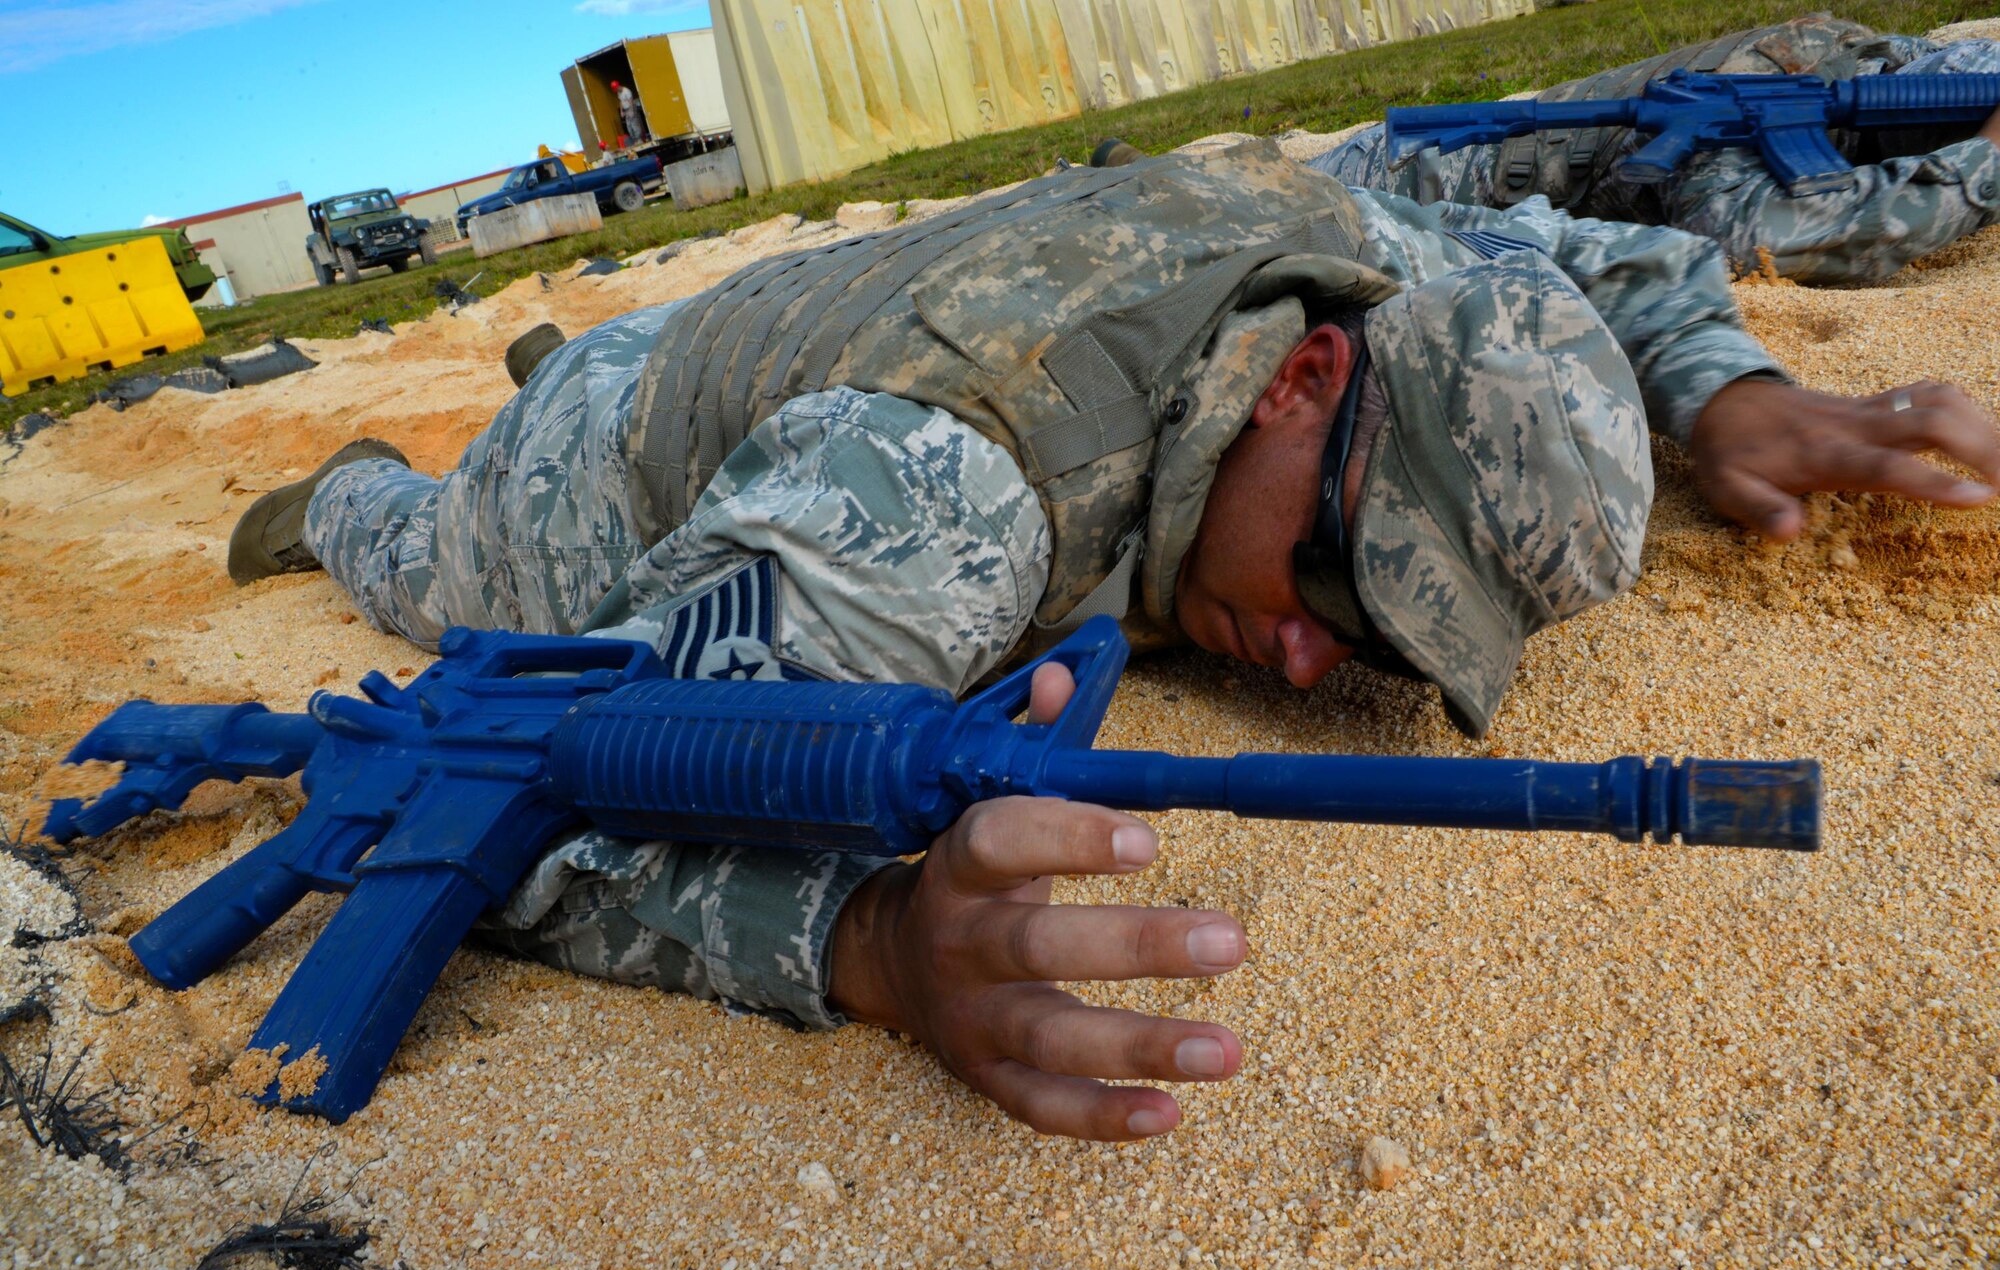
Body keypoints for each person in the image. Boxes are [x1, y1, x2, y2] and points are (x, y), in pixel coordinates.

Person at [225, 139, 2000, 1141]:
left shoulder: (1357, 249)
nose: (1309, 663)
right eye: (1335, 578)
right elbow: (535, 792)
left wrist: (1732, 390)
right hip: (609, 475)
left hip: (816, 326)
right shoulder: (930, 510)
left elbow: (1578, 251)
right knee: (442, 567)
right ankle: (360, 484)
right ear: (1307, 374)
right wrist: (869, 944)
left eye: (1389, 638)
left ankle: (613, 357)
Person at [1305, 16, 2000, 286]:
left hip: (1467, 198)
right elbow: (1754, 240)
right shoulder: (1763, 97)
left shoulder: (1871, 62)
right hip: (1421, 181)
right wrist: (1984, 163)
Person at [612, 79, 648, 147]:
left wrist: (631, 110)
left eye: (615, 89)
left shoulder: (626, 91)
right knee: (629, 126)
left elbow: (630, 101)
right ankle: (635, 140)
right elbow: (621, 101)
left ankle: (639, 139)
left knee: (634, 124)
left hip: (631, 108)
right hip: (626, 110)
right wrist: (621, 111)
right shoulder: (619, 93)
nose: (616, 91)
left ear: (618, 86)